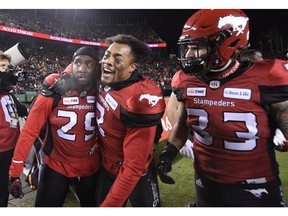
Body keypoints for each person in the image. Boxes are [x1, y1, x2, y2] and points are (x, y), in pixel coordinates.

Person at [157, 9, 287, 207]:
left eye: (197, 46)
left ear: (228, 43)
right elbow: (183, 124)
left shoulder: (268, 77)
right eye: (188, 47)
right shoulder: (186, 80)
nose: (190, 54)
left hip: (257, 186)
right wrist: (169, 152)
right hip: (205, 182)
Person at [8, 46, 101, 207]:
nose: (82, 68)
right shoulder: (55, 88)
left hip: (90, 165)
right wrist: (15, 173)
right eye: (78, 62)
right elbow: (29, 131)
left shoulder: (102, 90)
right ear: (72, 63)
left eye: (89, 64)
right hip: (56, 164)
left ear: (96, 68)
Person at [95, 34, 166, 207]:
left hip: (135, 172)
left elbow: (133, 168)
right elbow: (80, 65)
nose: (108, 62)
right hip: (106, 165)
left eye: (117, 59)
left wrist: (154, 141)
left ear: (131, 68)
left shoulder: (137, 99)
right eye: (107, 55)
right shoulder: (102, 74)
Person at [0, 52, 27, 207]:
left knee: (8, 183)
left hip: (12, 146)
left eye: (7, 66)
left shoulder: (7, 92)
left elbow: (19, 110)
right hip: (1, 149)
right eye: (2, 66)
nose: (7, 70)